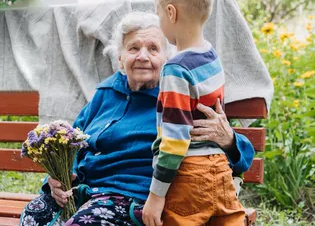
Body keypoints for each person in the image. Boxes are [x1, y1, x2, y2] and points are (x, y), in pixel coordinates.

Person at [19, 11, 255, 226]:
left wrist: (229, 140)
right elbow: (73, 143)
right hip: (83, 192)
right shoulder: (106, 92)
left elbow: (236, 155)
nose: (143, 56)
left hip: (133, 199)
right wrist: (58, 180)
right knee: (33, 213)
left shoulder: (177, 98)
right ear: (120, 58)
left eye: (153, 48)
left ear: (167, 58)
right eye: (133, 49)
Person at [142, 0, 248, 226]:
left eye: (159, 14)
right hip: (221, 171)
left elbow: (175, 140)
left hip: (189, 176)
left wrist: (156, 197)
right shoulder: (211, 56)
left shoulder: (175, 69)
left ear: (171, 12)